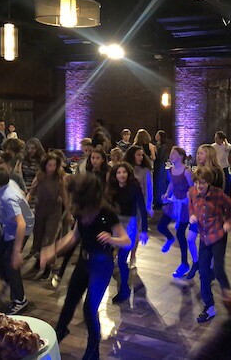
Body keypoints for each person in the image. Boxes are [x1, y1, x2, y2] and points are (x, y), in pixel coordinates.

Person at [41, 173, 130, 360]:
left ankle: (93, 349)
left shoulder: (106, 214)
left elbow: (126, 241)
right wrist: (53, 250)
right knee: (70, 301)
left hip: (101, 265)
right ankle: (60, 332)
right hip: (84, 262)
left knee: (89, 309)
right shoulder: (82, 211)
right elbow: (73, 237)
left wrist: (111, 238)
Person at [188, 167, 231, 323]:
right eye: (197, 182)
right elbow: (191, 205)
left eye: (203, 183)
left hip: (218, 235)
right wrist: (192, 216)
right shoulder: (192, 192)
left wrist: (228, 222)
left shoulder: (217, 193)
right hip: (204, 237)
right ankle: (209, 306)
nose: (199, 185)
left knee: (219, 269)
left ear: (208, 182)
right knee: (203, 272)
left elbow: (230, 206)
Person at [0, 166, 32, 314]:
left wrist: (17, 252)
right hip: (9, 227)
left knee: (11, 262)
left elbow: (21, 224)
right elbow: (23, 194)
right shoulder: (9, 184)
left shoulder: (8, 198)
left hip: (19, 230)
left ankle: (20, 300)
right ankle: (8, 281)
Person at [105, 162, 149, 303]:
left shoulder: (134, 187)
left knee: (122, 259)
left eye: (124, 172)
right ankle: (121, 286)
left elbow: (142, 208)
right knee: (113, 260)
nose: (122, 175)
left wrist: (144, 230)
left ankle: (124, 289)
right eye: (119, 172)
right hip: (115, 223)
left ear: (128, 174)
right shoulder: (111, 188)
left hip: (129, 223)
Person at [157, 146, 197, 279]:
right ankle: (169, 238)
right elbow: (172, 184)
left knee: (181, 233)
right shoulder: (171, 170)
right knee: (161, 226)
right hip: (174, 202)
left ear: (180, 156)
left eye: (173, 153)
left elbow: (193, 187)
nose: (171, 155)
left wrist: (189, 195)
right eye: (170, 153)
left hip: (185, 204)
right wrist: (167, 194)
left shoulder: (186, 171)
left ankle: (184, 263)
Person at [27, 152, 67, 280]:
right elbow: (31, 192)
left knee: (50, 239)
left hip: (54, 212)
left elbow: (65, 195)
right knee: (38, 238)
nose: (52, 168)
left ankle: (48, 266)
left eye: (54, 165)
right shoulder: (40, 177)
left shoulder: (60, 178)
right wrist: (25, 203)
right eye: (49, 165)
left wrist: (69, 213)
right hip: (40, 210)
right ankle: (38, 262)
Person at [123, 145, 154, 268]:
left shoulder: (144, 171)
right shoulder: (125, 168)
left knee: (135, 231)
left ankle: (133, 255)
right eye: (138, 154)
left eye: (142, 155)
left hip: (137, 204)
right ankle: (121, 254)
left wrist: (148, 206)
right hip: (124, 204)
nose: (141, 157)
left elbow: (149, 189)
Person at [154, 130, 171, 207]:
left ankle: (160, 201)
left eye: (157, 135)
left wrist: (155, 151)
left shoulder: (163, 146)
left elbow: (161, 157)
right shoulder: (157, 145)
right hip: (157, 166)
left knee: (160, 183)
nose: (156, 136)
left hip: (160, 166)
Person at [211, 131, 231, 195]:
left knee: (226, 183)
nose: (215, 139)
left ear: (221, 139)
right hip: (216, 167)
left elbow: (228, 147)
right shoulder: (213, 146)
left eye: (217, 138)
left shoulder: (226, 146)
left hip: (224, 167)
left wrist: (225, 140)